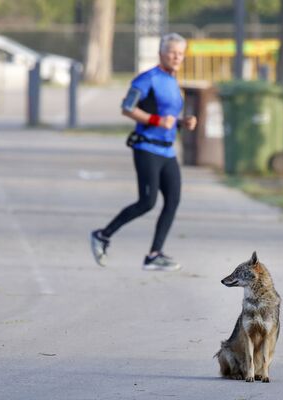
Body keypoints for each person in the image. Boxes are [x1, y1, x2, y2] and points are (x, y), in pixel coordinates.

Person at [90, 33, 197, 271]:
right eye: (173, 52)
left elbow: (168, 117)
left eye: (181, 53)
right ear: (161, 54)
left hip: (168, 152)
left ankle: (154, 255)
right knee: (147, 202)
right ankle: (102, 235)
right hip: (146, 148)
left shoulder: (172, 79)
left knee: (173, 200)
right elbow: (127, 108)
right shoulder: (147, 79)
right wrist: (158, 121)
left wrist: (182, 123)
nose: (177, 57)